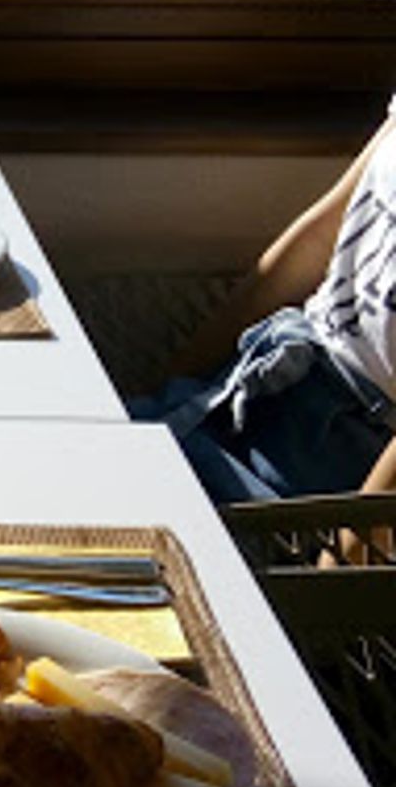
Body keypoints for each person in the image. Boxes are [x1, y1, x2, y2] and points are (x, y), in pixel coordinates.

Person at [133, 94, 396, 518]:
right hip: (272, 369)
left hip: (346, 452)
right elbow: (319, 238)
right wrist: (168, 382)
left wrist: (342, 560)